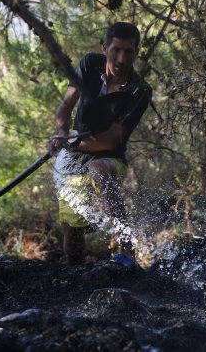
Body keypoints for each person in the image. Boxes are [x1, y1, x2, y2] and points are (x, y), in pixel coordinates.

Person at [48, 22, 152, 270]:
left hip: (110, 157)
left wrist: (71, 142)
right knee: (72, 236)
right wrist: (62, 133)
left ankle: (126, 249)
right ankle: (74, 276)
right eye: (116, 50)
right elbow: (65, 106)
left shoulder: (139, 90)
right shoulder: (89, 65)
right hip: (73, 158)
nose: (121, 58)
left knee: (99, 168)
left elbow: (110, 140)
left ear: (136, 53)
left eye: (128, 51)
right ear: (106, 48)